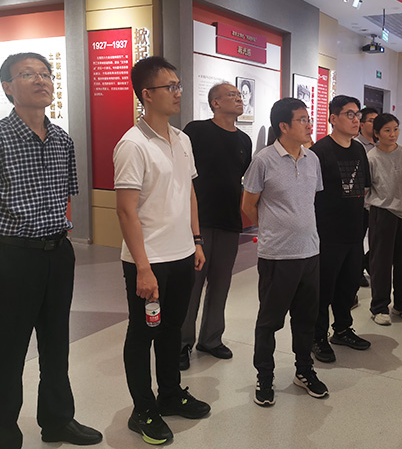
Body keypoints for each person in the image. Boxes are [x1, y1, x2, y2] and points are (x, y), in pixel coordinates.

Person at [0, 52, 103, 448]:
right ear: (8, 87)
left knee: (57, 345)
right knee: (6, 354)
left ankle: (58, 420)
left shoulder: (62, 140)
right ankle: (2, 438)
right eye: (28, 74)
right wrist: (2, 246)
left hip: (57, 255)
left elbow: (64, 198)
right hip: (12, 258)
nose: (41, 80)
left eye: (45, 73)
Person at [114, 56, 210, 445]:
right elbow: (126, 210)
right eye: (170, 86)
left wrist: (196, 240)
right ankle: (143, 409)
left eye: (178, 85)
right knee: (142, 334)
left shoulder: (182, 139)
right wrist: (142, 267)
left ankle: (169, 394)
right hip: (149, 260)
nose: (178, 92)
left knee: (172, 329)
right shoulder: (132, 144)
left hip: (182, 255)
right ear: (147, 94)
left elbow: (189, 192)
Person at [241, 97, 327, 406]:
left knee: (306, 319)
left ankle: (304, 370)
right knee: (270, 321)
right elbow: (248, 205)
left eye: (308, 119)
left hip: (310, 253)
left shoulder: (312, 159)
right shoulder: (263, 160)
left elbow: (310, 200)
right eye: (302, 120)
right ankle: (265, 376)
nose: (308, 124)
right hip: (277, 256)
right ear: (284, 126)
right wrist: (274, 229)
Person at [180, 82, 252, 370]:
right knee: (192, 285)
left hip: (229, 221)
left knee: (221, 284)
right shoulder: (196, 131)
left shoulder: (244, 140)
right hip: (198, 220)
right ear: (215, 103)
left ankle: (211, 339)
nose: (238, 99)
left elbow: (241, 176)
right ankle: (181, 342)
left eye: (239, 95)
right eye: (231, 95)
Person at [310, 95, 372, 363]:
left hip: (354, 232)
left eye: (358, 114)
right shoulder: (320, 152)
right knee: (324, 289)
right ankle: (317, 337)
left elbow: (364, 187)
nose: (356, 119)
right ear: (333, 119)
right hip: (327, 234)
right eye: (349, 114)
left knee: (348, 286)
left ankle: (343, 329)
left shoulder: (358, 149)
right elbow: (310, 194)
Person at [366, 114, 402, 325]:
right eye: (387, 130)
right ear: (377, 133)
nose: (393, 134)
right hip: (382, 213)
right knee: (381, 262)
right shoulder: (371, 157)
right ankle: (379, 307)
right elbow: (367, 189)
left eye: (396, 129)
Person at [355, 106, 379, 289]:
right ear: (361, 124)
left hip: (379, 203)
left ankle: (368, 264)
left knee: (379, 240)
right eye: (371, 120)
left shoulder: (382, 144)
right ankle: (357, 272)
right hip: (362, 203)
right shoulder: (356, 145)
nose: (375, 124)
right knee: (358, 239)